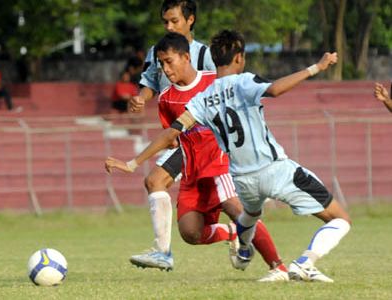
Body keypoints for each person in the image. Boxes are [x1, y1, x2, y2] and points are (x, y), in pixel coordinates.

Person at [106, 29, 351, 283]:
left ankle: (273, 264)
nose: (165, 70)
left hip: (231, 171)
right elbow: (275, 90)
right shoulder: (239, 82)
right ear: (239, 58)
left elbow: (173, 132)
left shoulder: (204, 95)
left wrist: (134, 162)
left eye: (169, 62)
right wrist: (316, 67)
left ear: (189, 57)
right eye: (162, 64)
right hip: (262, 168)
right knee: (337, 218)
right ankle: (300, 261)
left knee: (242, 212)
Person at [127, 0, 216, 272]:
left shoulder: (204, 55)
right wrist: (141, 99)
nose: (169, 26)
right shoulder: (157, 51)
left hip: (204, 137)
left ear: (190, 20)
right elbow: (149, 83)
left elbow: (222, 91)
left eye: (174, 21)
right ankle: (237, 235)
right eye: (165, 21)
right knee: (193, 225)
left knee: (156, 181)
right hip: (180, 137)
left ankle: (164, 253)